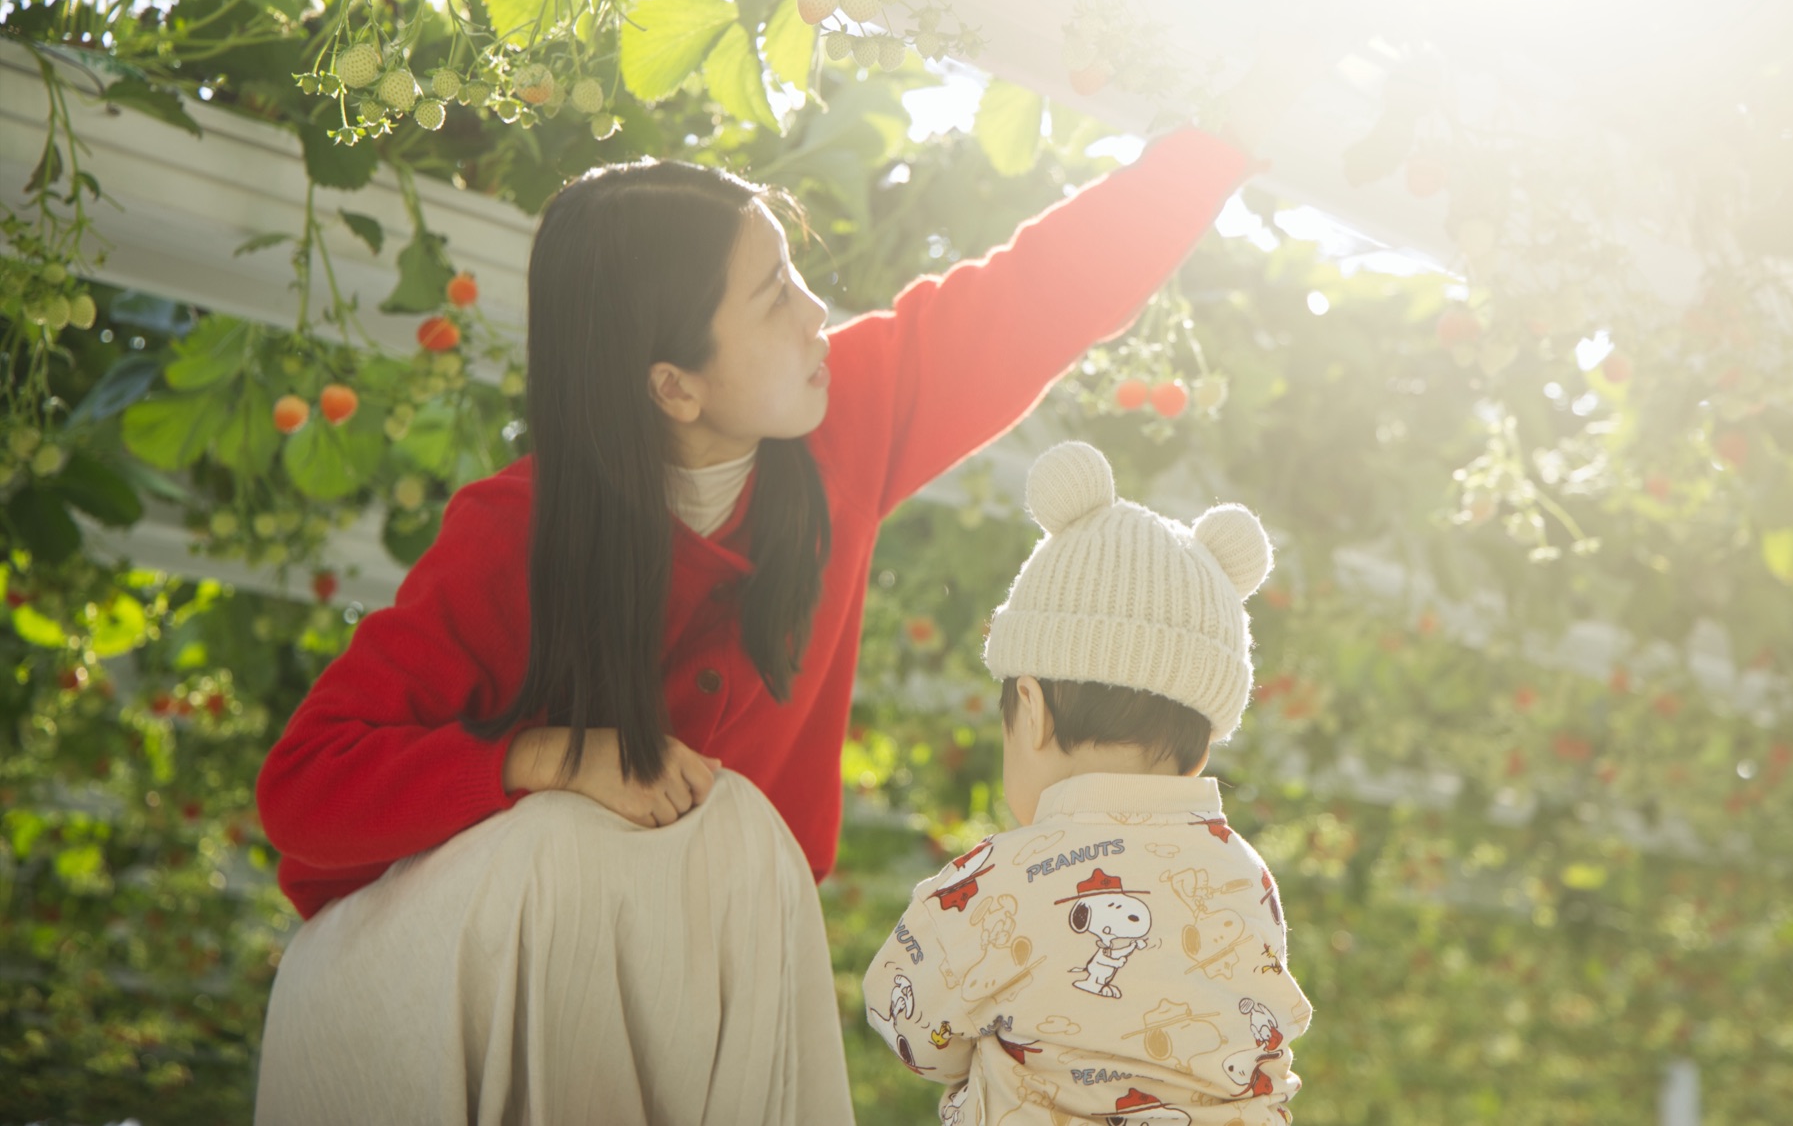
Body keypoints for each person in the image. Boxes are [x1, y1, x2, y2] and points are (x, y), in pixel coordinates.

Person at [250, 115, 1257, 1123]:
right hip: (456, 992)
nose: (817, 312)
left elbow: (1036, 295)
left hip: (704, 960)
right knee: (570, 832)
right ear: (674, 387)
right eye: (774, 294)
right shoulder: (515, 533)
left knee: (736, 840)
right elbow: (301, 789)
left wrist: (1223, 135)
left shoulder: (845, 424)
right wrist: (547, 757)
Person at [862, 440, 1312, 1124]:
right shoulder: (1245, 877)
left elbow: (909, 1023)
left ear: (1031, 711)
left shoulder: (999, 882)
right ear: (1198, 751)